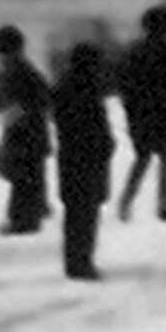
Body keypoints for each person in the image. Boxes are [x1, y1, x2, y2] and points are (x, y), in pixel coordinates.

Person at [114, 7, 166, 225]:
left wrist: (130, 109)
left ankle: (126, 202)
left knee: (142, 159)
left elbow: (124, 84)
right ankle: (164, 204)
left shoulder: (134, 53)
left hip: (142, 115)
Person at [50, 40, 116, 281]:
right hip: (88, 157)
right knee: (87, 214)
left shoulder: (63, 87)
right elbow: (95, 126)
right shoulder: (87, 90)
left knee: (74, 214)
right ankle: (82, 262)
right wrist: (106, 144)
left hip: (70, 157)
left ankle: (74, 261)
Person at [0, 25, 53, 237]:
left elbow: (28, 103)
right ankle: (34, 212)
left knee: (23, 178)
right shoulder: (25, 71)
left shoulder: (18, 73)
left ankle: (24, 220)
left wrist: (12, 116)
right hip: (31, 133)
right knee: (29, 176)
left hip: (24, 134)